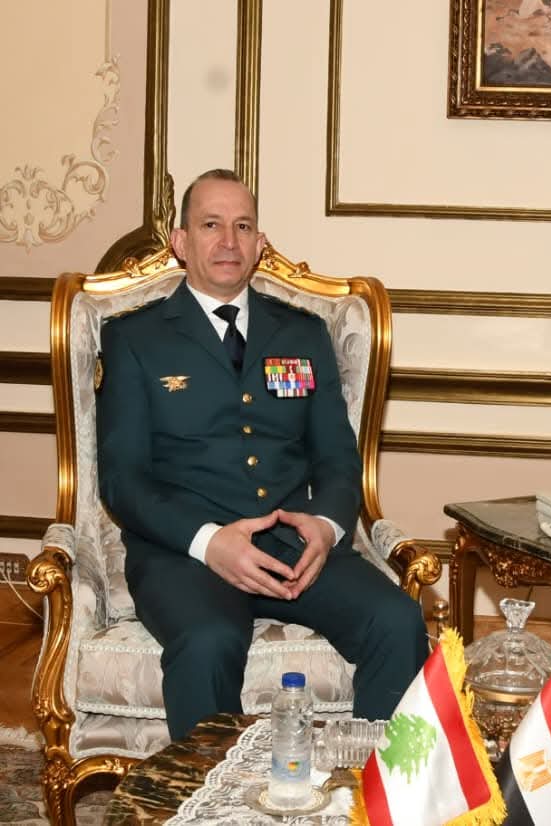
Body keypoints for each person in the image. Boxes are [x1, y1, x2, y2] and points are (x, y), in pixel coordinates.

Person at [97, 169, 428, 740]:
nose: (229, 241)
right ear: (181, 242)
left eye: (243, 226)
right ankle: (212, 790)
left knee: (397, 620)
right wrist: (209, 541)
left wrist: (325, 527)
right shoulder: (135, 339)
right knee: (208, 641)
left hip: (293, 544)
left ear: (259, 243)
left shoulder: (303, 334)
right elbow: (123, 480)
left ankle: (374, 783)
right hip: (184, 553)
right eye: (211, 225)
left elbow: (336, 457)